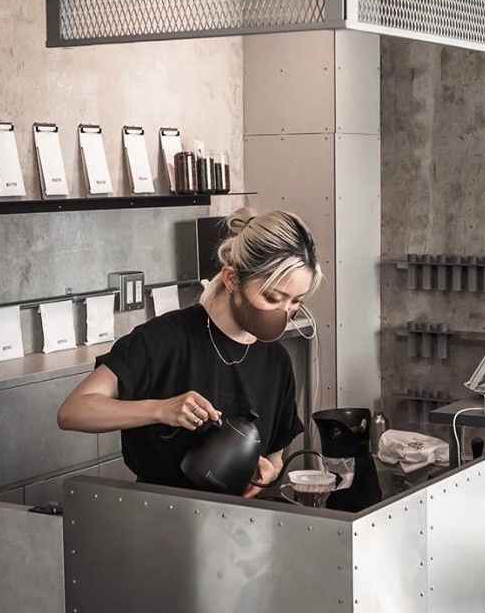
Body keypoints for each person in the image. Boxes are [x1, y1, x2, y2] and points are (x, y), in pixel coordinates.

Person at [57, 207, 321, 497]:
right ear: (232, 279)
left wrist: (266, 474)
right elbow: (73, 411)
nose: (284, 312)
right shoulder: (163, 340)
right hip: (159, 513)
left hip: (238, 518)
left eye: (295, 301)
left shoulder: (276, 362)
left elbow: (275, 457)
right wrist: (160, 410)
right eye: (272, 297)